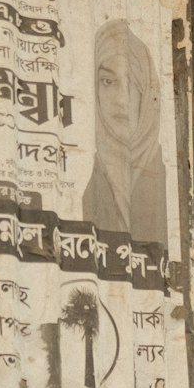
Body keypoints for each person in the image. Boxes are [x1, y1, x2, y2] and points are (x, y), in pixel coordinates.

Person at [82, 19, 168, 246]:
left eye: (132, 84)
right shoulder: (84, 177)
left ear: (148, 92)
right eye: (108, 81)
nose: (121, 99)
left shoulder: (165, 180)